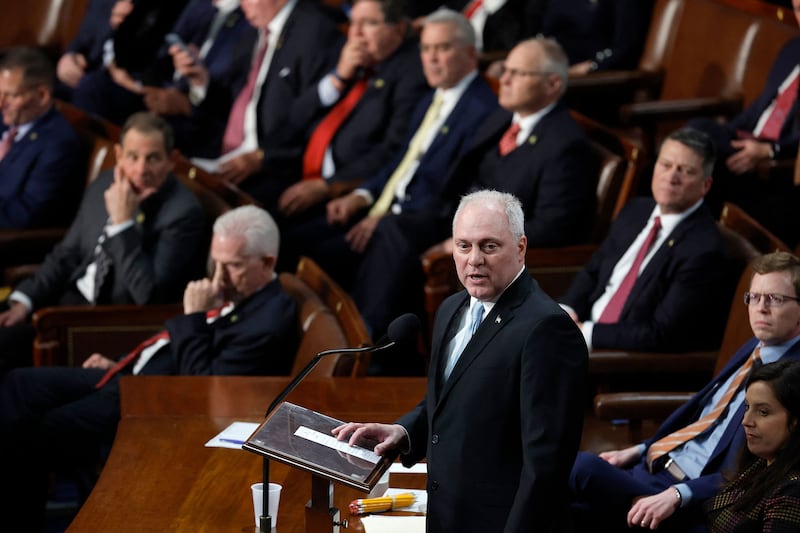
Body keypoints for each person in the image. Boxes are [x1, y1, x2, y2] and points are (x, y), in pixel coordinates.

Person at [0, 204, 299, 529]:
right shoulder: (240, 292)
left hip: (153, 401)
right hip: (132, 374)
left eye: (233, 266)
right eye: (216, 263)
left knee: (33, 432)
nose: (218, 277)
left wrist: (193, 318)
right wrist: (125, 362)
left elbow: (202, 386)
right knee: (18, 383)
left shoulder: (269, 319)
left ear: (267, 262)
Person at [333, 190, 588, 532]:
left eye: (489, 246)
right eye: (463, 245)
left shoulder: (547, 329)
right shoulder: (452, 308)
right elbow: (448, 403)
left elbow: (545, 466)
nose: (474, 260)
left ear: (521, 247)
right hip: (447, 515)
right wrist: (404, 431)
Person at [352, 36, 596, 344]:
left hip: (493, 245)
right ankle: (364, 332)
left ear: (552, 85)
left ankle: (375, 347)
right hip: (461, 221)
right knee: (392, 228)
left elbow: (555, 227)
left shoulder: (566, 145)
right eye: (505, 69)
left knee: (396, 238)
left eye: (517, 74)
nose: (503, 79)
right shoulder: (503, 118)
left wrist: (465, 243)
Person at [569, 250, 800, 532]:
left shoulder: (792, 378)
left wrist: (679, 495)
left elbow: (762, 470)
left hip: (696, 495)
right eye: (754, 297)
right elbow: (705, 415)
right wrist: (639, 449)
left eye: (775, 299)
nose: (760, 308)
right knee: (568, 509)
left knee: (580, 468)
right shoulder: (755, 346)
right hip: (656, 468)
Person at [278, 8, 498, 282]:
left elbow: (448, 190)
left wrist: (385, 218)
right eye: (426, 48)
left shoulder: (483, 111)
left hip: (410, 225)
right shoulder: (433, 97)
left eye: (442, 48)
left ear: (470, 53)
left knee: (314, 262)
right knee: (290, 244)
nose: (431, 58)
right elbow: (402, 162)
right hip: (381, 207)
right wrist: (361, 195)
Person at [0, 112, 206, 373]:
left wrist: (123, 224)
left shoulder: (182, 213)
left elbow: (149, 295)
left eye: (153, 158)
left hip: (100, 322)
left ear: (171, 161)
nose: (141, 169)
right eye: (133, 157)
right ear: (119, 155)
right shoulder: (105, 183)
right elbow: (68, 253)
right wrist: (24, 300)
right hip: (62, 301)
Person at [559, 128, 736, 353]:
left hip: (615, 359)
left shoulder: (704, 251)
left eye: (686, 171)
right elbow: (593, 272)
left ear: (706, 185)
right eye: (666, 165)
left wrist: (585, 333)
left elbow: (660, 333)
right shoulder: (635, 211)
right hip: (578, 332)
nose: (671, 177)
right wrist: (567, 310)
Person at [274, 0, 429, 221]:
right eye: (353, 22)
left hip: (343, 190)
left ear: (398, 28)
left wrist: (328, 186)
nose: (355, 33)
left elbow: (392, 151)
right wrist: (338, 76)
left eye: (368, 23)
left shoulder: (412, 73)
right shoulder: (348, 54)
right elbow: (294, 118)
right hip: (298, 167)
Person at [185, 0, 344, 204]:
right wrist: (201, 81)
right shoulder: (253, 31)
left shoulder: (316, 33)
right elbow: (233, 104)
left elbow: (315, 116)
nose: (242, 5)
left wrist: (264, 156)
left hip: (275, 169)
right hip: (224, 154)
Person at [688, 0, 800, 248]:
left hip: (774, 161)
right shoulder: (793, 49)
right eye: (798, 9)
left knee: (696, 158)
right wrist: (729, 132)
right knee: (695, 133)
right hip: (747, 139)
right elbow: (761, 107)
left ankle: (686, 237)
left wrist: (769, 151)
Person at [706, 359, 800, 532]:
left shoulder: (793, 491)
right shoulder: (763, 462)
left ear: (795, 421)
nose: (746, 421)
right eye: (747, 407)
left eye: (763, 412)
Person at [0, 46, 85, 229]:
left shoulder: (58, 144)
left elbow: (24, 215)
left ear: (42, 95)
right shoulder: (5, 120)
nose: (1, 104)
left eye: (11, 95)